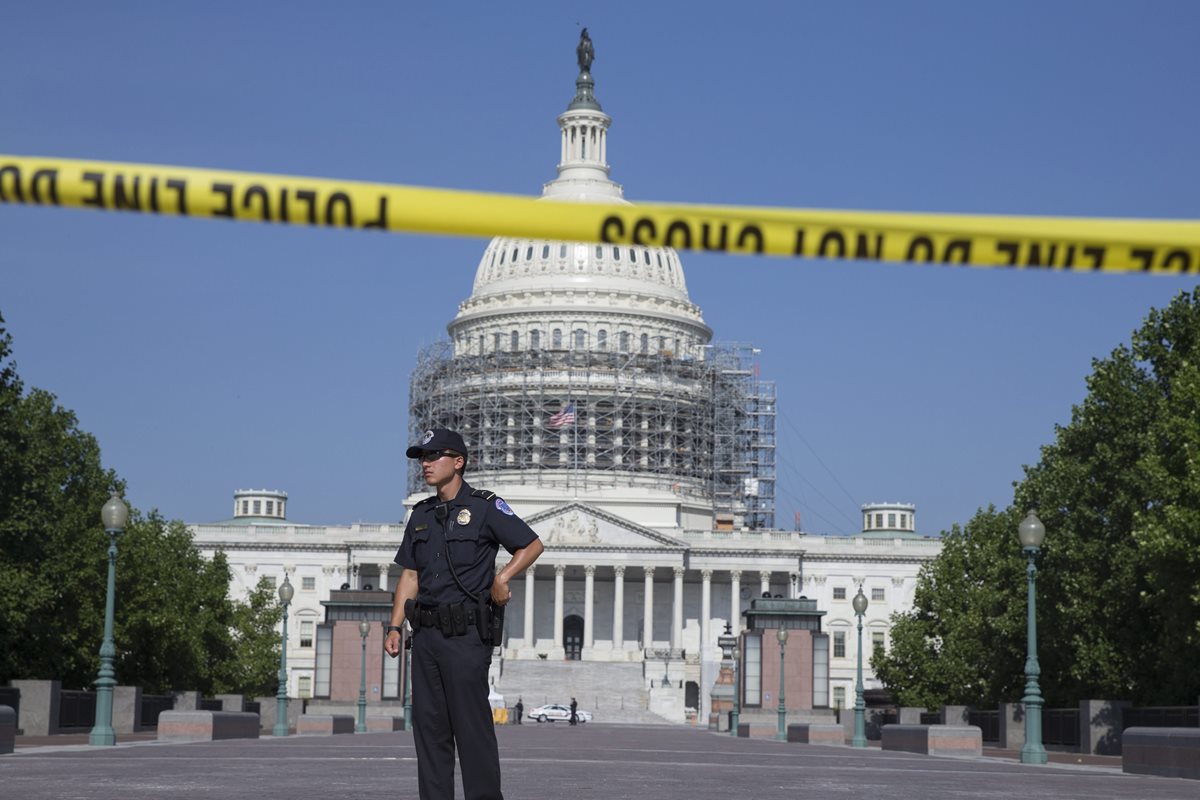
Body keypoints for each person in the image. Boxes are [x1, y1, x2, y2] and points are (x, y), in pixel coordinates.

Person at [385, 428, 544, 800]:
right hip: (424, 637)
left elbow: (531, 543)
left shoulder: (485, 506)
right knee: (429, 731)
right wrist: (394, 626)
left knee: (472, 732)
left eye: (433, 455)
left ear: (458, 462)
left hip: (466, 637)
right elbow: (410, 574)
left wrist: (502, 577)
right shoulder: (422, 514)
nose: (425, 463)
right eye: (422, 457)